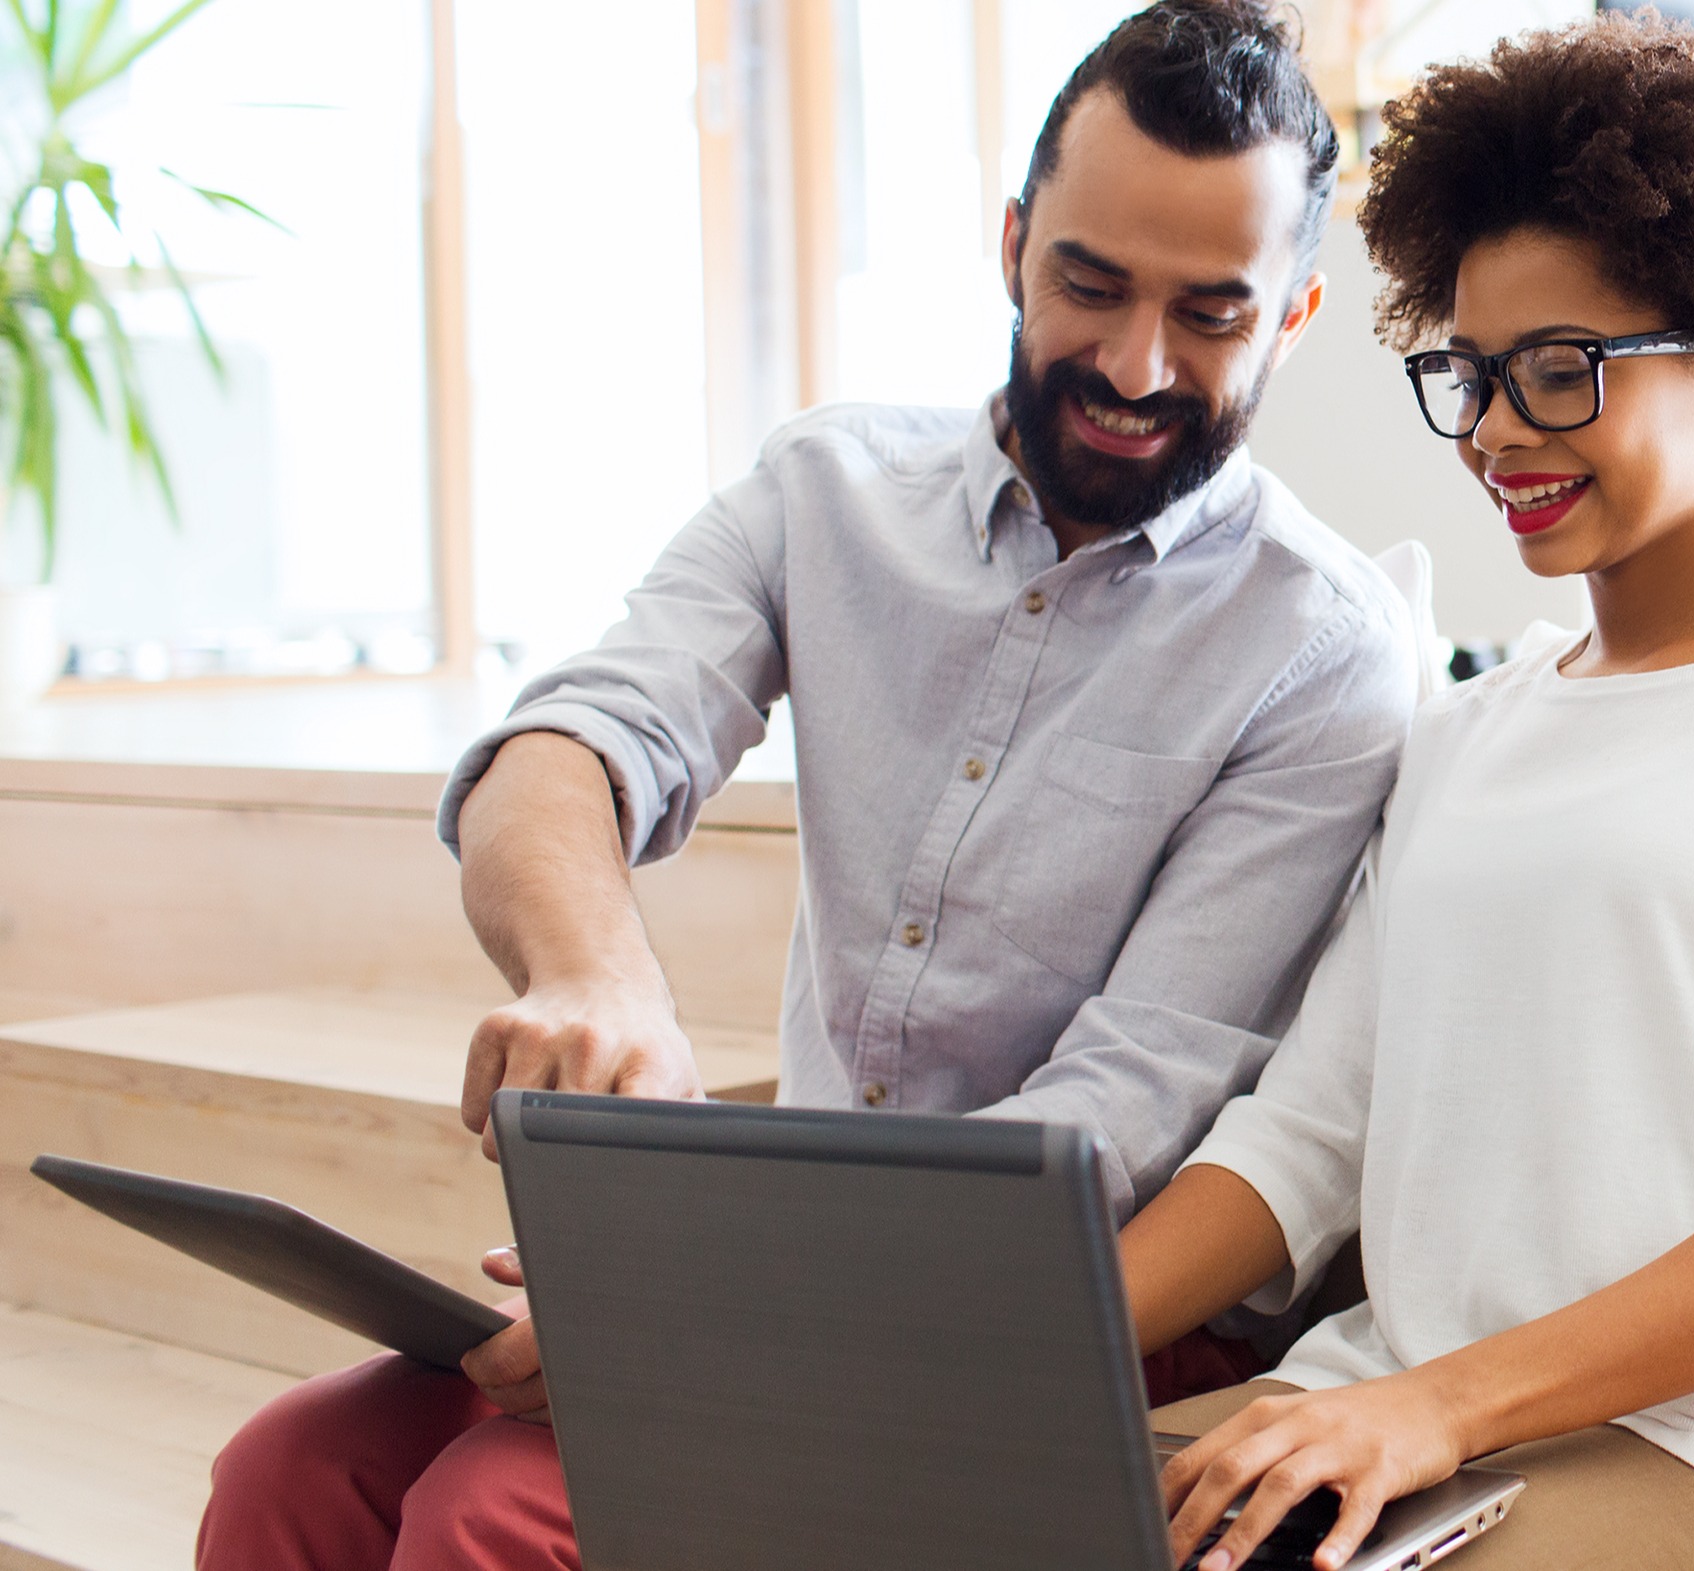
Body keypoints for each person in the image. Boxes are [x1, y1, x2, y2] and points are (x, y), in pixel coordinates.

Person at [196, 5, 1411, 1567]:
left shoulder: (1321, 650)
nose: (1132, 364)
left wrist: (702, 1310)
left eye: (1210, 317)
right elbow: (569, 742)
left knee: (491, 1514)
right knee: (289, 1466)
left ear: (1296, 315)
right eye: (1088, 285)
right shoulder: (822, 489)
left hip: (1082, 1310)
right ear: (1011, 244)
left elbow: (1116, 1122)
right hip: (791, 1255)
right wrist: (596, 972)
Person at [1111, 18, 1694, 1571]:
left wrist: (1436, 1405)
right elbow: (1304, 1139)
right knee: (940, 1494)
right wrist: (984, 1338)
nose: (1492, 432)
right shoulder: (1471, 732)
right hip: (1397, 1423)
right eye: (1471, 372)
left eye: (1560, 371)